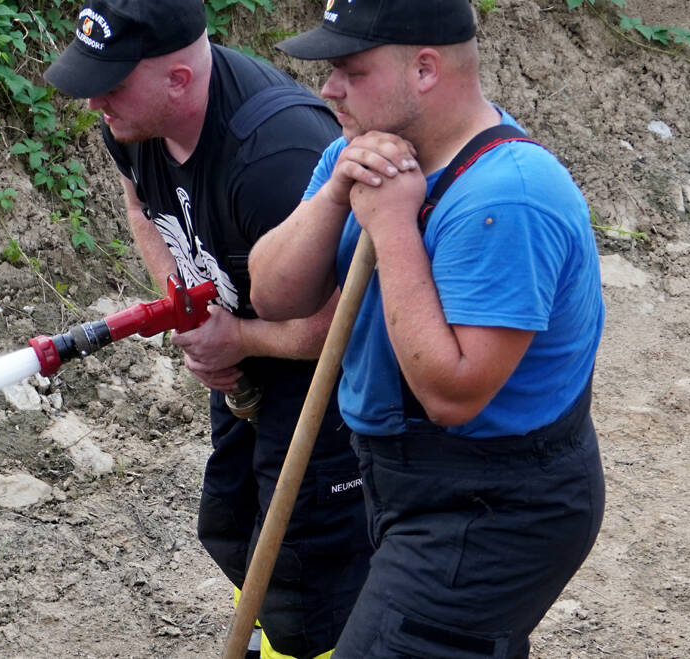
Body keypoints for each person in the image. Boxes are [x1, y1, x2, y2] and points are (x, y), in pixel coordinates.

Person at [248, 1, 606, 657]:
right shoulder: (357, 152)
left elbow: (452, 393)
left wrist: (390, 224)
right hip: (398, 476)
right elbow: (272, 296)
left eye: (350, 70)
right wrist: (334, 197)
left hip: (498, 506)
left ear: (424, 69)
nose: (327, 88)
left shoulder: (508, 196)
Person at [44, 1, 373, 657]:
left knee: (305, 571)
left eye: (111, 84)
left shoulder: (276, 155)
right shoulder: (133, 123)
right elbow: (140, 201)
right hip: (250, 358)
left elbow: (353, 314)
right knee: (230, 522)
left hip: (327, 385)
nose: (94, 105)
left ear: (178, 80)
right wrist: (189, 304)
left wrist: (241, 339)